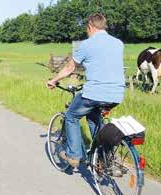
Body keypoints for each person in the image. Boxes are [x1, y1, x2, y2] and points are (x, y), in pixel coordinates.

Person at [46, 13, 125, 168]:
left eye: (86, 29)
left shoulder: (87, 45)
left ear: (90, 26)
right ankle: (103, 156)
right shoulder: (118, 43)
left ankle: (74, 155)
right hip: (116, 94)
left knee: (71, 116)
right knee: (93, 117)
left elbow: (70, 68)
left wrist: (54, 80)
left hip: (94, 93)